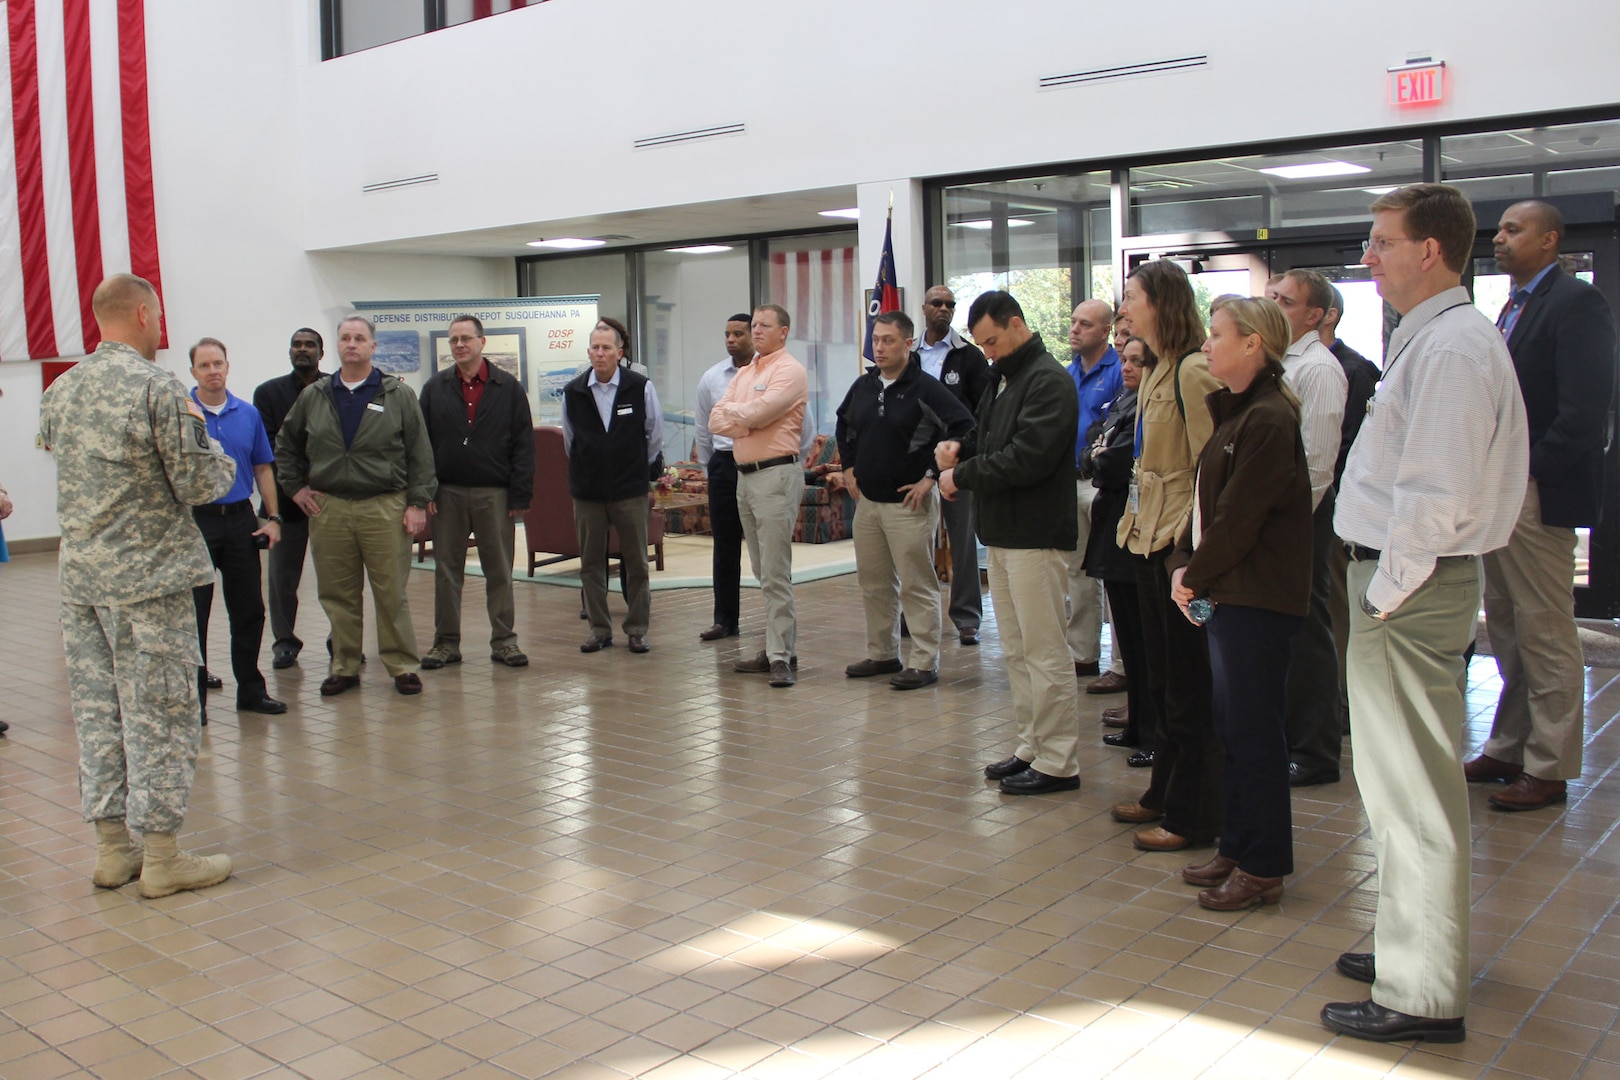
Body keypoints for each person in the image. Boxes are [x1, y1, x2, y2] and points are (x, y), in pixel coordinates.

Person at [1323, 183, 1528, 1044]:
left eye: (1381, 243)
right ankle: (1412, 942)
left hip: (1409, 586)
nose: (1368, 258)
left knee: (1414, 795)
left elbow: (1434, 496)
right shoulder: (1435, 337)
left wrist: (1383, 589)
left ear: (1430, 250)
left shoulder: (1452, 349)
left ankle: (1422, 992)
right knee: (1395, 783)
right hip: (1401, 584)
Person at [39, 273, 237, 898]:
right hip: (149, 582)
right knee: (161, 712)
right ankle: (162, 856)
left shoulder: (62, 388)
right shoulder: (157, 388)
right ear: (147, 315)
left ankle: (111, 849)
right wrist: (224, 459)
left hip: (82, 582)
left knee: (98, 713)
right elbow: (199, 482)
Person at [1466, 200, 1618, 811]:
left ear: (1550, 240)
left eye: (1513, 229)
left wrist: (1526, 473)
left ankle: (1551, 765)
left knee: (1546, 628)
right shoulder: (1514, 304)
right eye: (1499, 230)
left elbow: (1584, 412)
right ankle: (1510, 744)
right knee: (1505, 621)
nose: (1499, 239)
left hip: (1537, 491)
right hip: (1501, 490)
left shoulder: (1577, 303)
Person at [1168, 296, 1312, 911]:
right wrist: (1186, 562)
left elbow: (1238, 520)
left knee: (1255, 733)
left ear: (1253, 344)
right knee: (1235, 728)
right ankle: (1239, 841)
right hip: (1233, 591)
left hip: (1256, 595)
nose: (1207, 345)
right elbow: (1207, 510)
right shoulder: (1238, 413)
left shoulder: (1269, 419)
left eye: (1218, 335)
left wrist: (1193, 576)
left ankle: (1264, 865)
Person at [936, 291, 1081, 795]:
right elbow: (986, 436)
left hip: (1036, 535)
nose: (988, 352)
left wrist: (963, 474)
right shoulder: (1002, 377)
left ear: (1017, 324)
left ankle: (1060, 760)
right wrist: (962, 449)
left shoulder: (1048, 380)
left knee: (1045, 652)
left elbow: (1028, 457)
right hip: (1002, 534)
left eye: (993, 341)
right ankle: (1031, 746)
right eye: (982, 345)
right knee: (1017, 652)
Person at [1110, 259, 1223, 851]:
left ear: (1161, 303)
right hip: (1145, 536)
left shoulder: (1194, 372)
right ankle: (1162, 792)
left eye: (1131, 296)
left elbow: (1212, 466)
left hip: (1178, 544)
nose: (1123, 306)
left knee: (1187, 685)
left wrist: (1190, 554)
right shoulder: (1157, 370)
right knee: (1158, 679)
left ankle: (1192, 813)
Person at [276, 315, 437, 697]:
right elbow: (286, 445)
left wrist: (418, 502)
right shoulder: (315, 395)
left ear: (372, 347)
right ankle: (344, 665)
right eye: (345, 338)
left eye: (359, 338)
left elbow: (420, 453)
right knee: (337, 593)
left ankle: (401, 665)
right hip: (330, 509)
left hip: (384, 507)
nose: (352, 344)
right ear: (337, 345)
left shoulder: (397, 395)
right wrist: (295, 488)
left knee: (390, 593)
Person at [832, 311, 974, 689]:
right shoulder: (864, 386)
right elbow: (843, 423)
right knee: (874, 583)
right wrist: (847, 467)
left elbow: (963, 427)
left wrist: (931, 477)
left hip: (909, 506)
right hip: (869, 505)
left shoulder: (925, 388)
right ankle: (882, 653)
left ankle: (925, 661)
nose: (879, 347)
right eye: (876, 340)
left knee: (916, 584)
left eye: (888, 340)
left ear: (908, 344)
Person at [1265, 270, 1349, 787]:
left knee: (1308, 626)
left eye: (1285, 301)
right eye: (1270, 296)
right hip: (1279, 516)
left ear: (1315, 316)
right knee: (1285, 630)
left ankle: (1317, 750)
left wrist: (1284, 529)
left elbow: (1317, 463)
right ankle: (1290, 735)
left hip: (1303, 516)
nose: (1273, 305)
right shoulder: (1277, 363)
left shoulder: (1317, 369)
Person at [418, 315, 535, 671]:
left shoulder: (507, 387)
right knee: (447, 572)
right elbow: (421, 444)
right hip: (447, 494)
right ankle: (446, 643)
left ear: (482, 342)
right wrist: (425, 491)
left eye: (466, 338)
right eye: (453, 340)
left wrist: (520, 497)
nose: (459, 345)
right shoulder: (435, 388)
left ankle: (504, 642)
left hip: (494, 494)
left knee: (499, 571)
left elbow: (523, 445)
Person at [187, 338, 287, 722]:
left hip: (241, 519)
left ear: (228, 367)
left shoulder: (247, 414)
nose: (213, 371)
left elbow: (263, 467)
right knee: (195, 613)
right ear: (193, 371)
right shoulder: (183, 415)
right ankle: (194, 700)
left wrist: (273, 518)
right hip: (197, 520)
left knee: (248, 610)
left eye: (218, 364)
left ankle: (251, 691)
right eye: (204, 365)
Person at [711, 304, 808, 687]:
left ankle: (780, 656)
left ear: (783, 331)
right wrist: (745, 416)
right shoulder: (746, 372)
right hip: (744, 479)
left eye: (766, 325)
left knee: (775, 570)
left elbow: (762, 413)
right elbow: (716, 419)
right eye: (755, 325)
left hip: (776, 476)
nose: (758, 331)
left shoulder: (791, 370)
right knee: (760, 570)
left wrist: (743, 416)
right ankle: (779, 646)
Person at [562, 322, 664, 654]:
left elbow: (654, 437)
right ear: (588, 352)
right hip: (588, 491)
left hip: (629, 490)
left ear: (620, 353)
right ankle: (598, 628)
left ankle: (637, 629)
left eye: (607, 348)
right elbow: (570, 441)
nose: (600, 353)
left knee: (636, 562)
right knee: (591, 563)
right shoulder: (574, 391)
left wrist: (632, 467)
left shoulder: (640, 387)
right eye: (595, 348)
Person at [1083, 337, 1152, 766]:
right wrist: (1099, 453)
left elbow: (1116, 461)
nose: (1127, 368)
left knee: (1144, 643)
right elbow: (1093, 444)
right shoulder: (1123, 402)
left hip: (1136, 532)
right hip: (1112, 524)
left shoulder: (1154, 406)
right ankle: (1138, 724)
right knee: (1127, 634)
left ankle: (1151, 729)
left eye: (1137, 361)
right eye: (1124, 360)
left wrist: (1100, 455)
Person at [915, 286, 992, 645]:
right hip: (916, 464)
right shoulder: (909, 354)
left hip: (958, 463)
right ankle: (914, 615)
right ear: (924, 308)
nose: (944, 309)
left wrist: (964, 452)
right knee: (916, 540)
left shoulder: (970, 357)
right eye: (937, 304)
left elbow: (982, 412)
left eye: (950, 305)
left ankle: (966, 617)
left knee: (962, 541)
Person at [253, 328, 328, 669]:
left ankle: (341, 638)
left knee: (338, 576)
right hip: (286, 500)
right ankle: (285, 642)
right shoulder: (268, 393)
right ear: (289, 352)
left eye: (309, 345)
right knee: (283, 578)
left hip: (331, 498)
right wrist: (296, 485)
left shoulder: (335, 387)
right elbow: (269, 446)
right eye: (297, 345)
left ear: (321, 353)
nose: (302, 350)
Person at [1065, 300, 1124, 680]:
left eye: (1085, 324)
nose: (1075, 329)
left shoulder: (1120, 369)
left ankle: (1122, 665)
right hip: (1069, 482)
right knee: (1077, 574)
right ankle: (1083, 656)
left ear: (1105, 331)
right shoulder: (1066, 373)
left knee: (1116, 575)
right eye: (1073, 322)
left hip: (1105, 484)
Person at [693, 314, 755, 641]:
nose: (731, 339)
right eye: (727, 334)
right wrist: (711, 467)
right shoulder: (712, 378)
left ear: (754, 336)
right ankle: (725, 620)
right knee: (725, 546)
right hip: (724, 464)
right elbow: (702, 429)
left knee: (767, 549)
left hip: (762, 463)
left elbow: (805, 427)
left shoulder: (774, 374)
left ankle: (778, 625)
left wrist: (791, 465)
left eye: (738, 333)